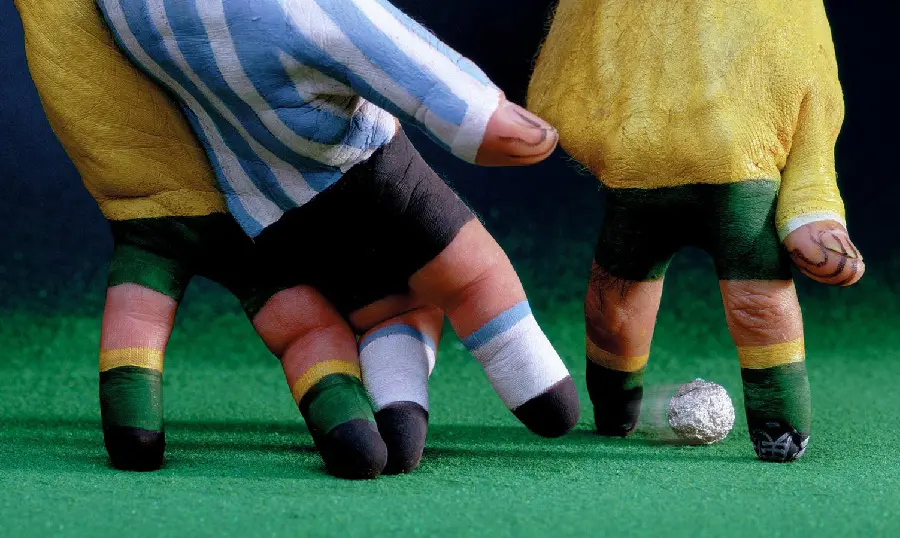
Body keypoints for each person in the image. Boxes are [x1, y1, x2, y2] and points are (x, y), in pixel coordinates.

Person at [14, 0, 579, 479]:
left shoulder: (126, 11)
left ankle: (401, 411)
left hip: (267, 208)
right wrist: (483, 113)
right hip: (364, 169)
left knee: (385, 309)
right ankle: (536, 389)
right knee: (474, 280)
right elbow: (383, 44)